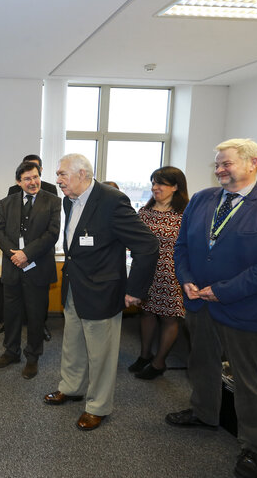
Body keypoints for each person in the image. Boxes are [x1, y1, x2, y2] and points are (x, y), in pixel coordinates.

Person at [166, 139, 257, 478]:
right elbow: (182, 247)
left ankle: (255, 448)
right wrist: (185, 280)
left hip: (244, 307)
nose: (219, 169)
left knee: (249, 380)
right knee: (201, 363)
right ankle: (204, 413)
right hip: (198, 302)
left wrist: (222, 291)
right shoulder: (201, 199)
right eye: (217, 164)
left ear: (253, 162)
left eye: (226, 163)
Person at [43, 153, 158, 431]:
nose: (57, 180)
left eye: (62, 174)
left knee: (101, 354)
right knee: (72, 344)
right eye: (58, 175)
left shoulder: (112, 201)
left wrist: (135, 290)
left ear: (83, 174)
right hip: (74, 287)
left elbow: (148, 246)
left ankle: (98, 406)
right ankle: (71, 387)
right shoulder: (70, 201)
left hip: (102, 291)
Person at [0, 160, 61, 379]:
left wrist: (26, 254)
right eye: (28, 179)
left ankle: (33, 357)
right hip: (13, 267)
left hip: (37, 267)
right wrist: (14, 255)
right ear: (19, 182)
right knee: (11, 314)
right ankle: (11, 352)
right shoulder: (6, 203)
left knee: (35, 315)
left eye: (36, 177)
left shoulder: (53, 202)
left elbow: (52, 234)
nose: (33, 182)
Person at [129, 166, 189, 380]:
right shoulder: (144, 212)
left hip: (172, 274)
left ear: (175, 187)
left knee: (168, 317)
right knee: (146, 312)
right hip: (146, 271)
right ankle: (145, 355)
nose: (155, 187)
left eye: (161, 183)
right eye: (153, 183)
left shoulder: (185, 214)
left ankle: (159, 362)